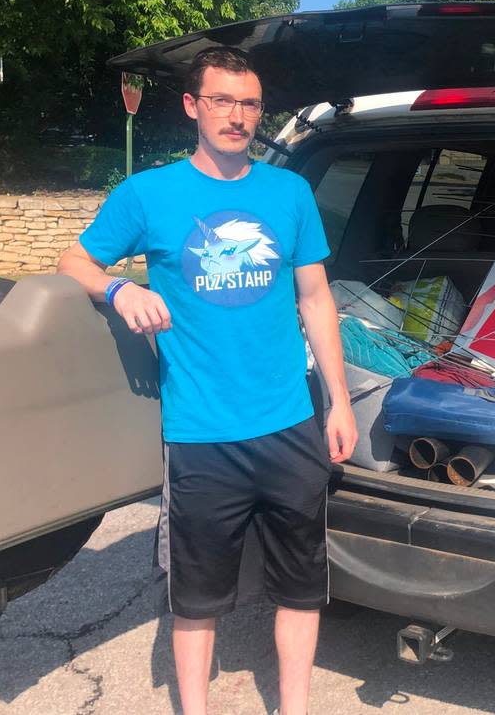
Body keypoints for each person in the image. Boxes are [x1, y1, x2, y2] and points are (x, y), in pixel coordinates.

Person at [58, 46, 357, 715]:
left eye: (249, 103)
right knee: (196, 597)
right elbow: (72, 259)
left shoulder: (289, 193)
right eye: (221, 100)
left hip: (289, 424)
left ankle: (295, 707)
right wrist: (116, 290)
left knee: (301, 584)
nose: (237, 115)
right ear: (192, 106)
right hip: (199, 432)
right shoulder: (149, 194)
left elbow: (315, 300)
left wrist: (337, 402)